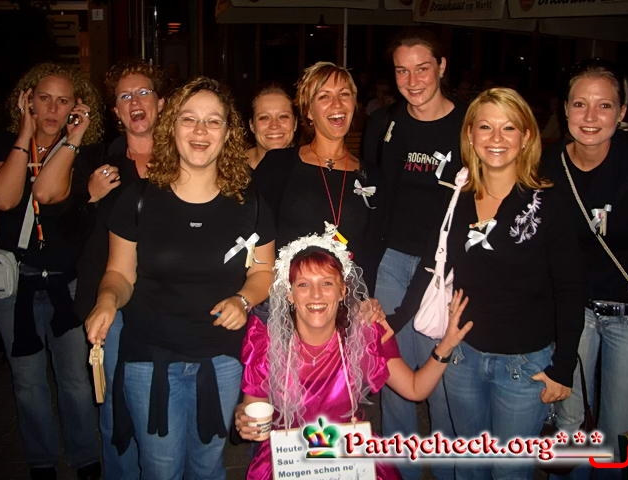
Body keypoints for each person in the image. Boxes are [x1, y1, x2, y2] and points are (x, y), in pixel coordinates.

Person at [85, 76, 275, 480]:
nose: (200, 131)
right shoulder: (137, 199)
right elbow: (119, 273)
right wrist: (106, 300)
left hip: (221, 359)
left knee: (208, 465)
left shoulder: (250, 202)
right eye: (189, 119)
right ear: (171, 127)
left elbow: (263, 271)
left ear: (228, 132)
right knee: (161, 468)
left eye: (213, 121)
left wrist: (243, 299)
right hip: (150, 358)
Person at [393, 87, 585, 480]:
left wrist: (563, 367)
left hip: (524, 365)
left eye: (508, 127)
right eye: (485, 127)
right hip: (462, 356)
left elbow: (570, 288)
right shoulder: (457, 197)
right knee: (469, 467)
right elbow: (432, 265)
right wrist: (393, 320)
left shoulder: (549, 202)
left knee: (509, 472)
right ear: (470, 135)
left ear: (526, 136)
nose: (496, 138)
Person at [233, 232, 473, 480]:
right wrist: (244, 417)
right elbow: (253, 406)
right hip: (290, 461)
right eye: (303, 284)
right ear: (289, 294)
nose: (316, 294)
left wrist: (446, 346)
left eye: (327, 283)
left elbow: (414, 389)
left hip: (350, 460)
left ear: (342, 291)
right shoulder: (267, 341)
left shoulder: (365, 335)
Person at [361, 28, 466, 480]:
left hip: (444, 269)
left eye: (423, 68)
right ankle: (399, 471)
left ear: (442, 67)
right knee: (395, 375)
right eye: (402, 71)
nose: (413, 80)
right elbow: (376, 201)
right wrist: (366, 275)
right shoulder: (384, 125)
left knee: (441, 376)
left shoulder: (469, 125)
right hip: (390, 262)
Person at [0, 62, 103, 480]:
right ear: (27, 100)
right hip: (14, 283)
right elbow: (5, 200)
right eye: (43, 99)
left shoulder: (82, 151)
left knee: (74, 379)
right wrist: (24, 133)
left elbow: (48, 192)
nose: (53, 109)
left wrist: (74, 138)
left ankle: (85, 458)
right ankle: (41, 462)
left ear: (76, 106)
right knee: (27, 381)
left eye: (63, 101)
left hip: (64, 282)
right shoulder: (5, 143)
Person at [541, 59, 628, 480]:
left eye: (604, 105)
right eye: (580, 104)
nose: (591, 116)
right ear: (565, 109)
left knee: (616, 434)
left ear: (622, 111)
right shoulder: (547, 166)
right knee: (568, 422)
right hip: (572, 311)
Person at [75, 60, 164, 479]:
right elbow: (68, 229)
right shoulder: (100, 160)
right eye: (125, 96)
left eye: (144, 92)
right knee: (115, 405)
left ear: (161, 103)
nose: (135, 101)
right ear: (116, 111)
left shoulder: (187, 157)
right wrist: (89, 197)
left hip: (166, 299)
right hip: (115, 298)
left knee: (162, 403)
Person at [254, 62, 377, 273]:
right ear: (309, 111)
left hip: (347, 290)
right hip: (287, 289)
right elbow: (255, 234)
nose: (337, 104)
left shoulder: (373, 176)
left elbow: (372, 252)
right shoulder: (278, 165)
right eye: (324, 96)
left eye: (344, 94)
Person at [246, 83, 297, 169]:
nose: (274, 125)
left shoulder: (311, 169)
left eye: (283, 116)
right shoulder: (230, 169)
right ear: (252, 125)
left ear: (295, 123)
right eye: (264, 118)